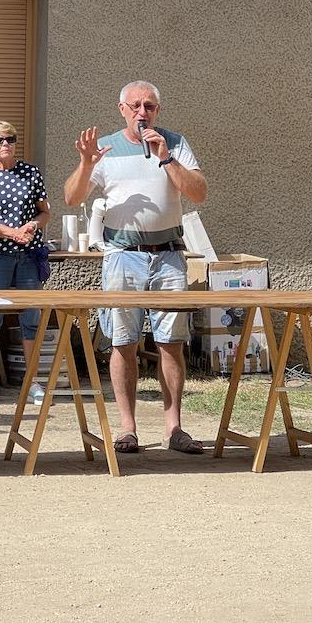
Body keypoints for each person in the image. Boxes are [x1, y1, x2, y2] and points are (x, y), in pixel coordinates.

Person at [63, 80, 207, 455]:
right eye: (136, 106)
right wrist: (85, 164)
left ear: (158, 110)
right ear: (122, 109)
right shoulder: (106, 149)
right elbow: (71, 196)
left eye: (150, 106)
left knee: (171, 343)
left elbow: (199, 193)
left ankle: (174, 427)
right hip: (122, 255)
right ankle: (127, 428)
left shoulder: (174, 143)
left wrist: (167, 158)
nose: (143, 113)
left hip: (169, 255)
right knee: (123, 342)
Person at [0, 120, 51, 406]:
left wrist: (31, 226)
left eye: (11, 139)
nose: (6, 144)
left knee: (31, 318)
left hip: (29, 255)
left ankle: (33, 383)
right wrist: (11, 232)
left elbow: (44, 213)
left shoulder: (31, 172)